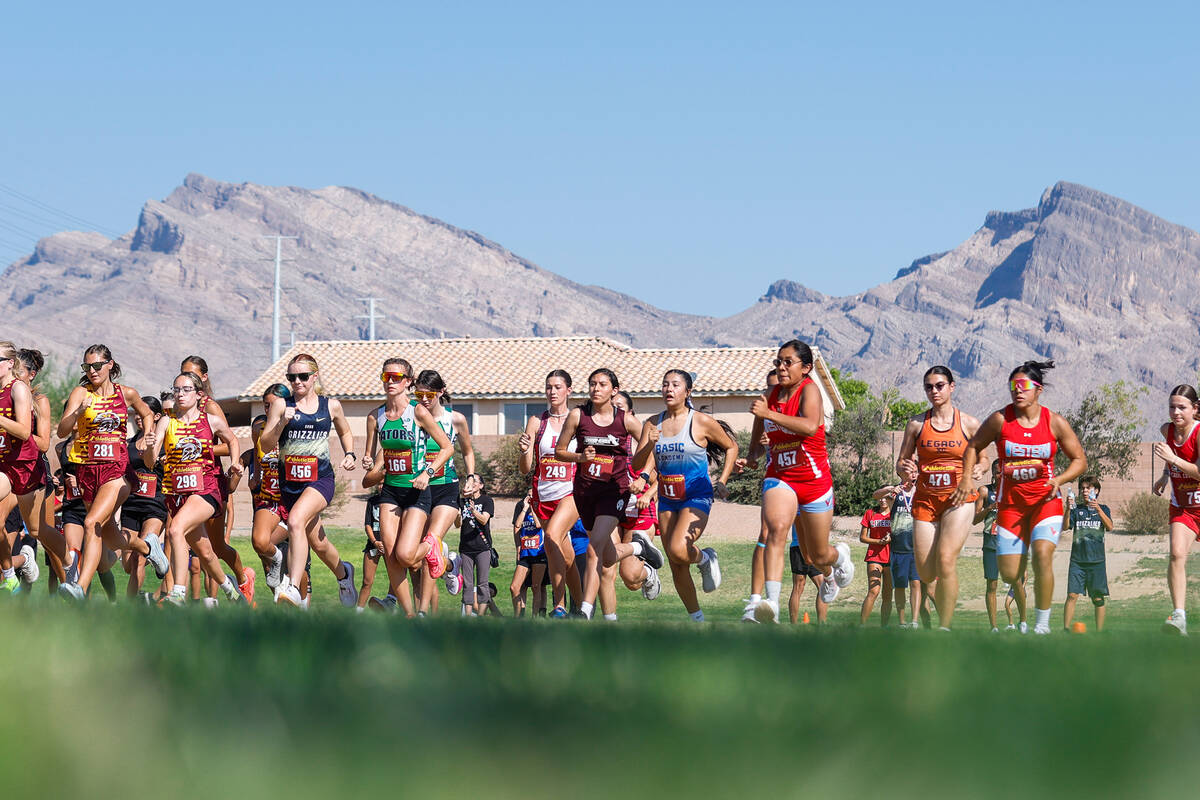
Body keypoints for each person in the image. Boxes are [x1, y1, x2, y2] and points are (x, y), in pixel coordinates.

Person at [952, 360, 1087, 635]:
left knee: (1042, 555)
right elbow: (974, 445)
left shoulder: (1054, 422)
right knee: (1010, 574)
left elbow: (1080, 460)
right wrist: (966, 478)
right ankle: (1019, 569)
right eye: (1013, 386)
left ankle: (1042, 625)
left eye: (1023, 386)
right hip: (1011, 507)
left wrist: (1059, 480)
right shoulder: (1001, 420)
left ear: (1038, 390)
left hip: (1045, 503)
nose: (1017, 391)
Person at [740, 340, 852, 623]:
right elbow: (757, 441)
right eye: (779, 361)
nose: (781, 366)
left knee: (815, 554)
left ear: (806, 368)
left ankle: (838, 558)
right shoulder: (769, 395)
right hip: (780, 477)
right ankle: (771, 605)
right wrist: (752, 458)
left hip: (813, 480)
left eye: (788, 362)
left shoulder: (810, 390)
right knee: (776, 530)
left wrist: (769, 414)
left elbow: (809, 426)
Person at [54, 344, 168, 599]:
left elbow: (147, 413)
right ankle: (148, 548)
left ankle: (79, 588)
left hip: (118, 470)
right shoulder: (80, 393)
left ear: (110, 365)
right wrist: (77, 414)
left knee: (90, 522)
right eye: (87, 367)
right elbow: (62, 431)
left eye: (97, 365)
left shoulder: (125, 393)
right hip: (87, 471)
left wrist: (149, 436)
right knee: (110, 535)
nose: (92, 371)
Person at [555, 368, 662, 621]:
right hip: (584, 492)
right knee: (606, 555)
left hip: (614, 492)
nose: (596, 388)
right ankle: (638, 546)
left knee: (594, 550)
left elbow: (652, 453)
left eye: (602, 384)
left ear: (614, 391)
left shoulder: (625, 420)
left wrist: (644, 477)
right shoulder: (577, 416)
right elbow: (559, 451)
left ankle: (585, 611)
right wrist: (580, 457)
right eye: (592, 384)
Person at [633, 370, 738, 621]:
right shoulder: (652, 423)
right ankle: (697, 621)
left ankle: (705, 558)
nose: (669, 389)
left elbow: (731, 446)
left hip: (696, 495)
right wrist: (649, 443)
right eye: (665, 384)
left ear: (687, 392)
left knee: (680, 550)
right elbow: (638, 462)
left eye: (675, 385)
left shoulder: (700, 421)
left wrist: (721, 480)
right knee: (676, 562)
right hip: (668, 498)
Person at [259, 353, 359, 607]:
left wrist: (349, 453)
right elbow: (266, 443)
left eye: (303, 376)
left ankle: (292, 587)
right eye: (292, 377)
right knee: (318, 543)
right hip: (291, 485)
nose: (297, 382)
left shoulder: (330, 405)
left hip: (320, 480)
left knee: (294, 522)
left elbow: (345, 430)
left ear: (314, 376)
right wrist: (281, 422)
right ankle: (344, 574)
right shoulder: (282, 405)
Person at [360, 357, 453, 616]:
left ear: (408, 382)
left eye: (396, 377)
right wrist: (369, 462)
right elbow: (370, 462)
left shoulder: (418, 412)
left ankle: (433, 548)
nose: (390, 381)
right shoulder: (375, 417)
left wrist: (428, 472)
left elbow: (447, 447)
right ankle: (411, 617)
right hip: (390, 491)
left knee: (406, 555)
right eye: (386, 377)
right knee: (390, 556)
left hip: (416, 490)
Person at [144, 371, 246, 607]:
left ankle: (178, 592)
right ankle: (231, 591)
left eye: (186, 389)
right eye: (176, 389)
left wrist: (235, 462)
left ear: (199, 394)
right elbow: (150, 462)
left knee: (175, 529)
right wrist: (150, 449)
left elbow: (232, 439)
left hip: (206, 490)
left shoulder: (210, 420)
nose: (180, 394)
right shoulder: (167, 422)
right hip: (177, 494)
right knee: (206, 552)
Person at [895, 366, 982, 631]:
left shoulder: (968, 423)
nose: (934, 391)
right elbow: (901, 461)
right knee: (925, 572)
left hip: (959, 498)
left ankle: (945, 628)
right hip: (925, 500)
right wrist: (905, 468)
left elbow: (985, 457)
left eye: (940, 385)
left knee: (946, 559)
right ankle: (943, 611)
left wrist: (980, 468)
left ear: (952, 387)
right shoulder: (916, 424)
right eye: (929, 387)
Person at [179, 356, 255, 603]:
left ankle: (243, 578)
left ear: (204, 378)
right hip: (182, 482)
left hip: (209, 481)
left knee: (217, 547)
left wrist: (201, 448)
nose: (187, 379)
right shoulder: (179, 408)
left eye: (192, 375)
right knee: (190, 542)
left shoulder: (209, 407)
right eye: (183, 374)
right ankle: (184, 595)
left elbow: (229, 442)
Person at [517, 369, 585, 618]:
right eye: (549, 387)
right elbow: (525, 469)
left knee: (552, 538)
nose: (552, 392)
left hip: (570, 493)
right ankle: (581, 607)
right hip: (543, 495)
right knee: (565, 558)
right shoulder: (537, 422)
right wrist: (524, 450)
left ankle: (560, 605)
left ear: (568, 390)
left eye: (558, 387)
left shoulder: (578, 419)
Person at [412, 369, 477, 614]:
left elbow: (468, 451)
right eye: (419, 394)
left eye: (430, 394)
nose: (425, 399)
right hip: (418, 491)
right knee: (417, 559)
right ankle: (451, 566)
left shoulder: (455, 419)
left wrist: (470, 477)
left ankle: (421, 612)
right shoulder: (412, 417)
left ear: (441, 392)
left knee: (430, 542)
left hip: (445, 488)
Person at [1153, 384, 1200, 635]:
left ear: (1195, 408)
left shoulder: (1199, 433)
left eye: (1182, 407)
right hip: (1183, 507)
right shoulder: (1167, 430)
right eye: (1172, 407)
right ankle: (1179, 617)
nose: (1176, 412)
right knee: (1176, 554)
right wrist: (1163, 475)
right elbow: (1170, 457)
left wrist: (1172, 460)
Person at [121, 395, 168, 599]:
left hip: (154, 504)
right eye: (137, 413)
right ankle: (156, 556)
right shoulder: (129, 443)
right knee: (127, 564)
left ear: (156, 416)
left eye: (144, 413)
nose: (139, 417)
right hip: (131, 504)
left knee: (139, 559)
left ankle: (130, 608)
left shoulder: (165, 444)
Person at [743, 369, 778, 623]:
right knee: (765, 535)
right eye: (768, 387)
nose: (770, 392)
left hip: (804, 481)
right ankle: (756, 603)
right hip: (775, 478)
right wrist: (750, 459)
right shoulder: (762, 411)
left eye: (775, 387)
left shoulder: (799, 407)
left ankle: (832, 570)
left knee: (812, 553)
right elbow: (754, 454)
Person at [1062, 476, 1112, 632]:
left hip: (1097, 561)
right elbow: (1065, 527)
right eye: (1082, 488)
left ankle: (1099, 633)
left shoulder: (1103, 509)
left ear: (1096, 491)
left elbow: (1110, 527)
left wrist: (1097, 509)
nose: (1084, 491)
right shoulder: (1077, 510)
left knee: (1098, 599)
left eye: (1088, 488)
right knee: (1072, 595)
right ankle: (1066, 630)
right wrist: (1068, 509)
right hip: (1078, 561)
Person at [457, 480, 494, 616]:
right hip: (466, 548)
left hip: (482, 547)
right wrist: (457, 516)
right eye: (469, 482)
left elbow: (484, 520)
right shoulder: (461, 501)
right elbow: (457, 524)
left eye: (475, 482)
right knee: (467, 583)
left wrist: (473, 510)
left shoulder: (487, 501)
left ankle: (480, 616)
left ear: (481, 486)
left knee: (482, 583)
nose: (471, 485)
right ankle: (467, 616)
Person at [510, 491, 548, 616]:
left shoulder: (541, 511)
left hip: (538, 553)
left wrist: (534, 508)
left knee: (536, 587)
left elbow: (538, 524)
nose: (530, 497)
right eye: (529, 495)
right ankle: (518, 616)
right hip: (525, 554)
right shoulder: (524, 511)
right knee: (514, 587)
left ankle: (534, 617)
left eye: (533, 496)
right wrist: (525, 508)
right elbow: (517, 524)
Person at [858, 492, 893, 625]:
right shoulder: (870, 513)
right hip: (874, 556)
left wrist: (890, 539)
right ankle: (862, 625)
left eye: (886, 497)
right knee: (874, 591)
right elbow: (862, 537)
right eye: (880, 498)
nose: (883, 500)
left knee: (888, 594)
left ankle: (884, 627)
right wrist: (879, 542)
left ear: (890, 498)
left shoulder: (894, 514)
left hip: (891, 557)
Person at [788, 526, 829, 624]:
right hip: (809, 547)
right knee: (819, 587)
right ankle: (821, 624)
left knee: (800, 587)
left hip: (800, 547)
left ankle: (795, 625)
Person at [356, 487, 383, 611]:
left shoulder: (394, 500)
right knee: (367, 581)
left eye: (383, 483)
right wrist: (375, 542)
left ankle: (397, 608)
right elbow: (368, 524)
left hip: (390, 546)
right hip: (374, 544)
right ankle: (359, 612)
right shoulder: (372, 501)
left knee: (396, 580)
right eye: (379, 483)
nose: (381, 486)